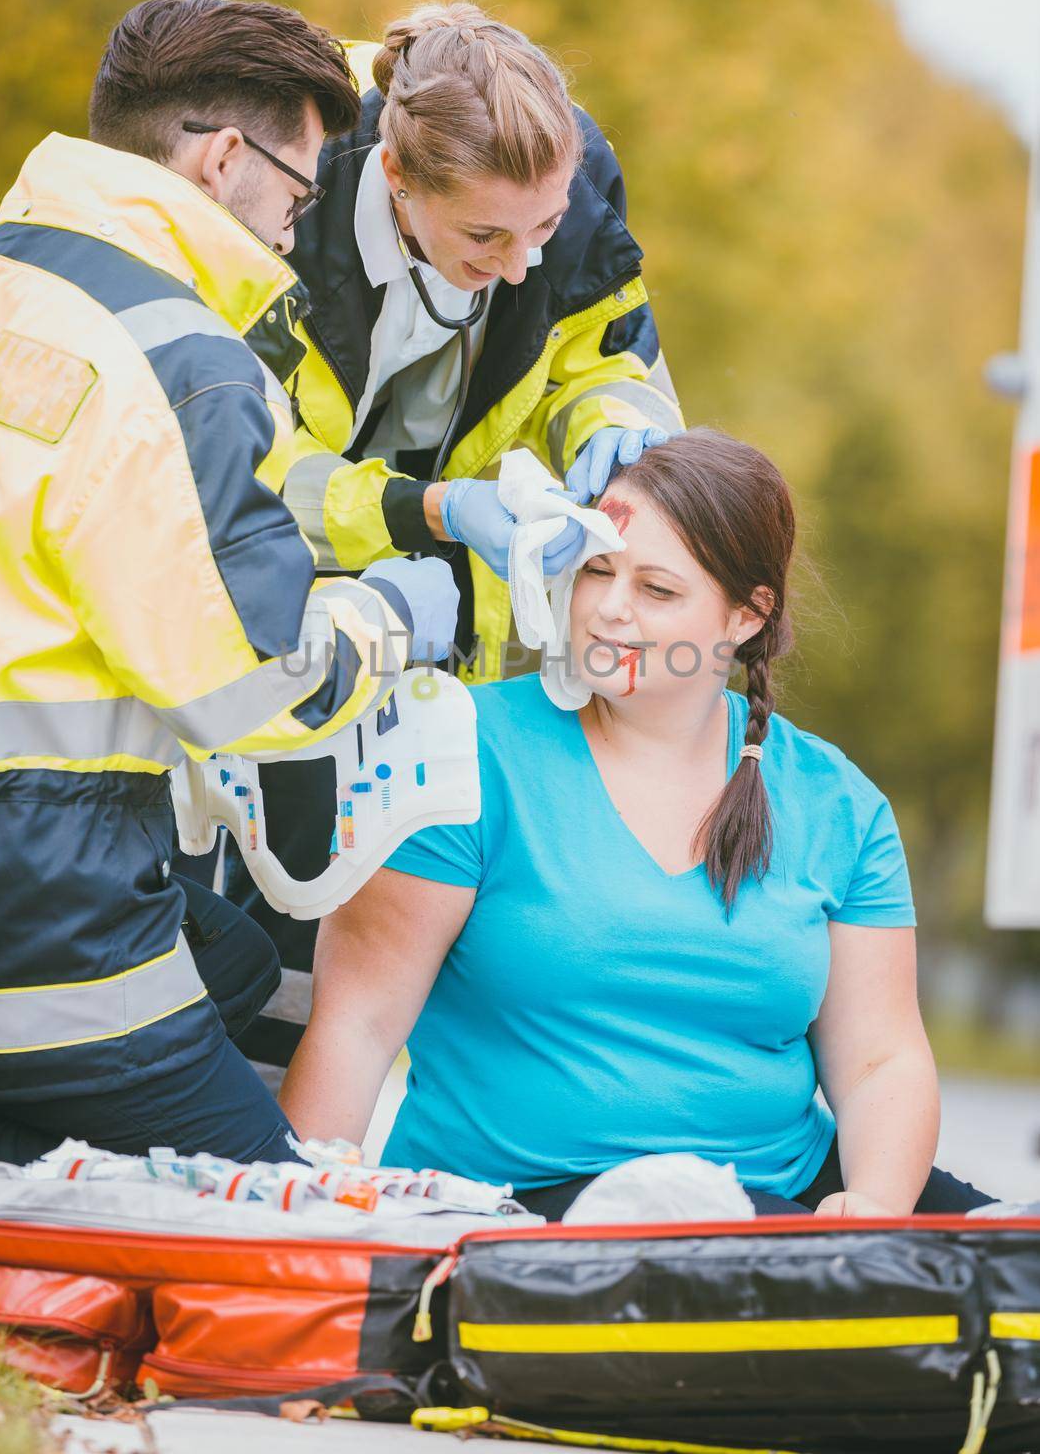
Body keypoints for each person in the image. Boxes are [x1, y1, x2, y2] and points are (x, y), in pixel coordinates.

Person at [0, 0, 457, 1167]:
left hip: (21, 868)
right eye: (297, 194)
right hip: (51, 909)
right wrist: (399, 611)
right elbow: (255, 691)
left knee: (234, 965)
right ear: (225, 157)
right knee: (283, 1240)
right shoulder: (183, 358)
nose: (296, 232)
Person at [281, 429, 994, 1218]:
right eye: (595, 571)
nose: (609, 610)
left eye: (656, 590)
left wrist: (871, 1215)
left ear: (745, 618)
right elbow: (357, 1026)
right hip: (514, 1211)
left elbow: (879, 1061)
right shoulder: (464, 750)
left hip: (777, 1194)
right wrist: (293, 1239)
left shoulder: (836, 802)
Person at [231, 0, 684, 1076]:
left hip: (445, 638)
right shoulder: (283, 179)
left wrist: (614, 428)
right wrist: (418, 513)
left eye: (538, 231)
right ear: (394, 176)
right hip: (265, 612)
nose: (522, 265)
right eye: (486, 236)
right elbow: (232, 469)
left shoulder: (565, 196)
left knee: (383, 963)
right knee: (257, 947)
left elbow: (609, 363)